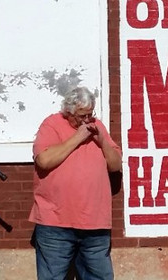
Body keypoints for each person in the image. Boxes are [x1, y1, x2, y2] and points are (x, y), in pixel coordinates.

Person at [30, 86, 122, 280]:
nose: (86, 120)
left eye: (90, 114)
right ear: (68, 112)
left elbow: (115, 165)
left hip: (95, 223)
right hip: (56, 222)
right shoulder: (52, 124)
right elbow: (44, 161)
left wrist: (102, 141)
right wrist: (78, 137)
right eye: (81, 116)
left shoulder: (97, 126)